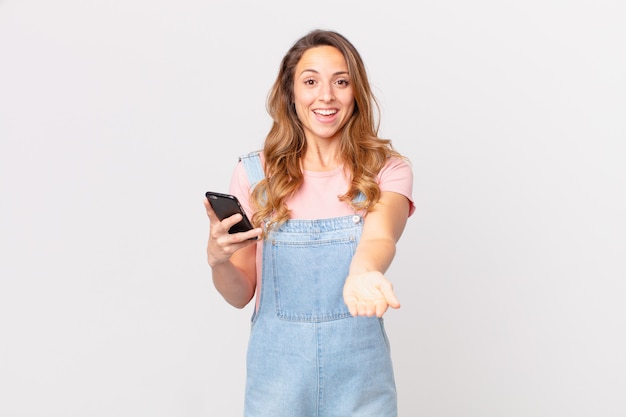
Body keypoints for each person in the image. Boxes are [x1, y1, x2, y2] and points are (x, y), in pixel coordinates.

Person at [203, 29, 415, 417]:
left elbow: (381, 234)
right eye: (311, 81)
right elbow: (239, 294)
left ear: (356, 92)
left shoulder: (386, 170)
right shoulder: (254, 175)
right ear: (291, 92)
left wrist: (364, 271)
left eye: (341, 81)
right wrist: (218, 260)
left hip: (361, 385)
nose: (326, 96)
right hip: (276, 387)